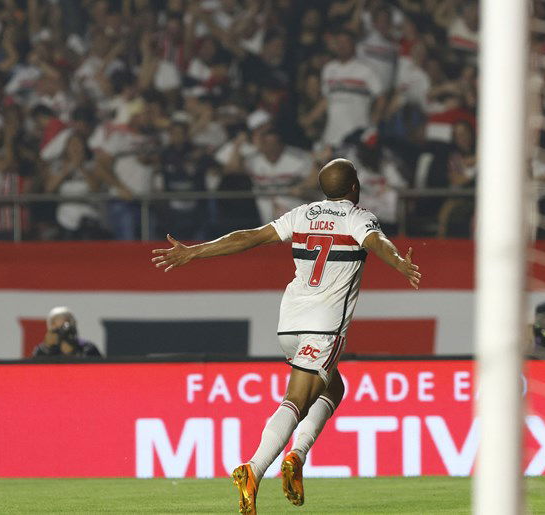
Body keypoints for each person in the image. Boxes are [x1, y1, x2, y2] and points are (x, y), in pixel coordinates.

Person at [151, 158, 420, 514]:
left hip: (289, 323)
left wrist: (194, 251)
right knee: (296, 401)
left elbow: (248, 237)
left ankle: (296, 455)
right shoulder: (359, 217)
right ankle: (254, 468)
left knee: (333, 388)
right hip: (323, 327)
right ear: (355, 187)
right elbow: (378, 242)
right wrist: (399, 262)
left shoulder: (302, 214)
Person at [31, 306, 102, 357]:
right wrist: (47, 348)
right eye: (57, 329)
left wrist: (73, 353)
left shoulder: (87, 348)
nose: (63, 333)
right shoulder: (43, 351)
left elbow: (97, 371)